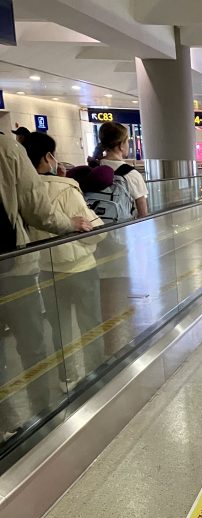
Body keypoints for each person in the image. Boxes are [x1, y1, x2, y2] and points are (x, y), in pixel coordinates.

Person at [0, 133, 92, 440]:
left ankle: (6, 422)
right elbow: (37, 208)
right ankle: (44, 414)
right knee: (32, 343)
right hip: (14, 268)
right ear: (48, 157)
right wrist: (71, 225)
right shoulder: (7, 148)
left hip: (28, 269)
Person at [21, 132, 105, 387]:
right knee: (90, 324)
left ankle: (66, 376)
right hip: (80, 267)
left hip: (46, 270)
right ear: (48, 157)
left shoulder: (24, 192)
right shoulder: (66, 188)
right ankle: (96, 371)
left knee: (59, 329)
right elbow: (93, 232)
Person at [92, 121, 149, 218]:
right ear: (121, 146)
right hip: (121, 229)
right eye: (127, 141)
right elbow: (143, 214)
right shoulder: (131, 174)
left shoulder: (93, 168)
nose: (128, 144)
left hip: (94, 227)